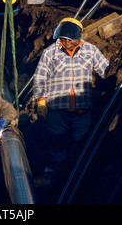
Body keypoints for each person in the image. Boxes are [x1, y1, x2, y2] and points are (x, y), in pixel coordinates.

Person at [33, 17, 109, 171]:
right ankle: (57, 170)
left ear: (77, 36)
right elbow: (40, 77)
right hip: (57, 108)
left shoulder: (91, 51)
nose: (66, 42)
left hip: (82, 109)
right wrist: (41, 101)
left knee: (81, 142)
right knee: (57, 140)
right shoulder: (50, 53)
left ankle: (77, 171)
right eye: (63, 38)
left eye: (69, 39)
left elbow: (106, 71)